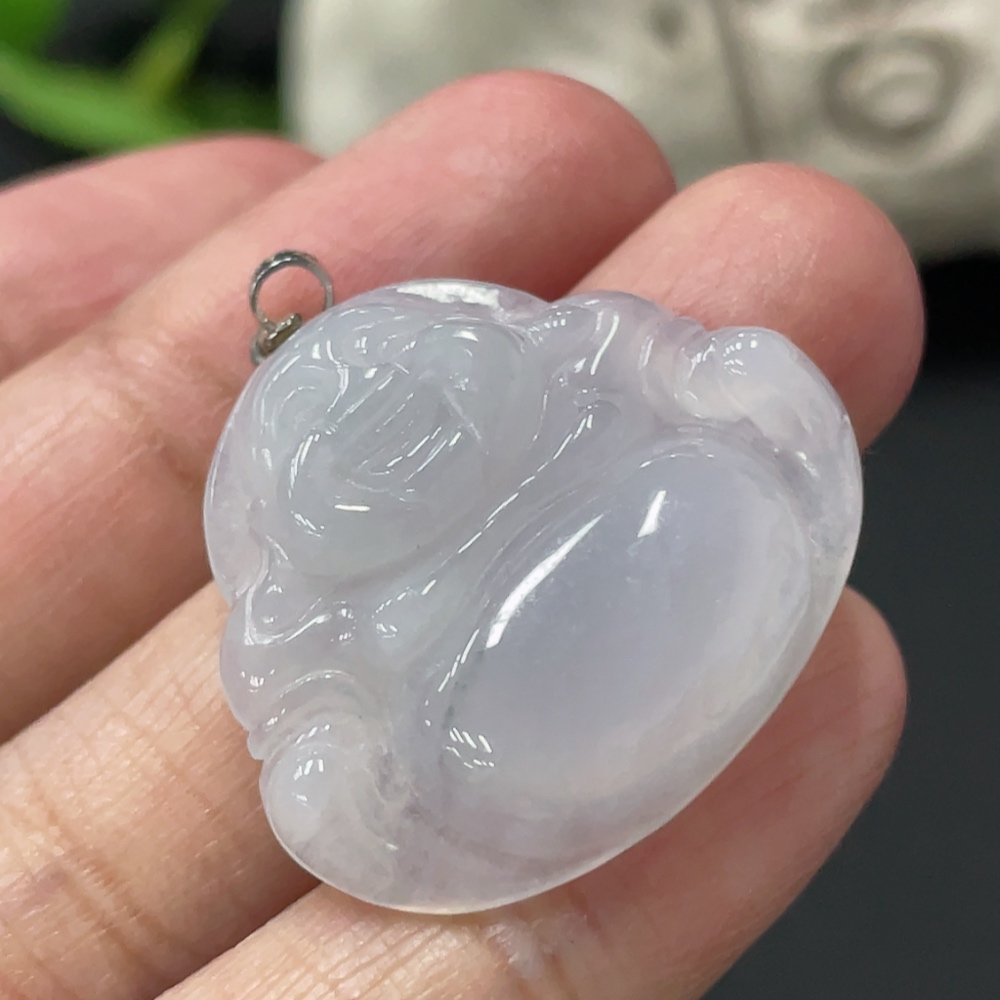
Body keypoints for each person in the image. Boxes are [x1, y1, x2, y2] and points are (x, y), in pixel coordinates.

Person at [0, 72, 922, 1000]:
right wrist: (333, 777)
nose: (380, 408)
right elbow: (298, 711)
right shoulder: (302, 599)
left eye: (401, 367)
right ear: (281, 512)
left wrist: (725, 384)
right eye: (321, 422)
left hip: (685, 525)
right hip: (494, 692)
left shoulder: (579, 367)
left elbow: (661, 358)